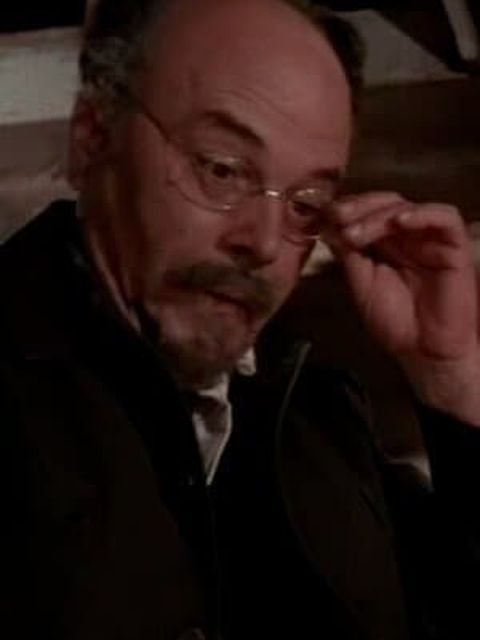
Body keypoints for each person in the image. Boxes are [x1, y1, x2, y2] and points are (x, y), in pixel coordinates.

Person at [2, 0, 480, 638]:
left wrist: (451, 375)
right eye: (223, 170)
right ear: (93, 138)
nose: (264, 241)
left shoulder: (319, 415)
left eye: (306, 204)